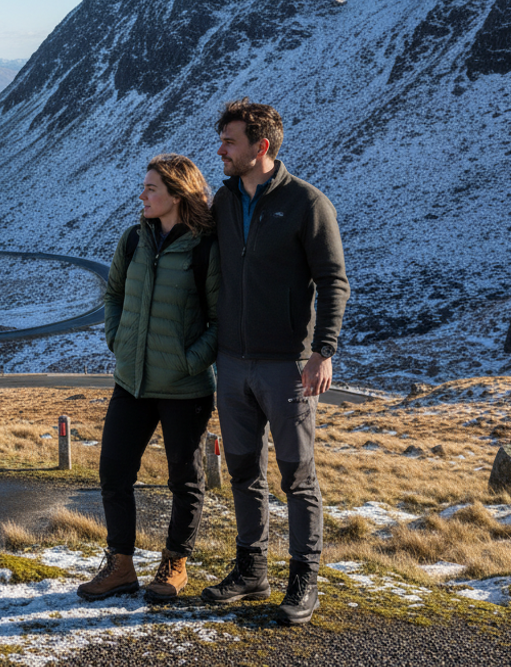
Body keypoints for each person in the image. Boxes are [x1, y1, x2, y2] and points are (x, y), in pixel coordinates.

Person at [201, 99, 349, 626]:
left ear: (260, 147)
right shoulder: (221, 200)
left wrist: (322, 352)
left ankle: (303, 578)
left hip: (286, 365)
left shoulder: (307, 203)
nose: (220, 150)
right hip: (232, 364)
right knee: (243, 470)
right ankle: (251, 570)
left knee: (297, 476)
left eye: (230, 142)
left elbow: (334, 281)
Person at [77, 154, 220, 603]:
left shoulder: (203, 248)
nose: (142, 196)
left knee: (185, 479)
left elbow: (221, 319)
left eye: (151, 189)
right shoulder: (133, 241)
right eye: (144, 187)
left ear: (177, 194)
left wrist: (189, 361)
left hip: (185, 389)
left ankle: (175, 562)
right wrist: (118, 338)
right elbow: (114, 294)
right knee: (114, 473)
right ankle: (120, 566)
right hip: (132, 382)